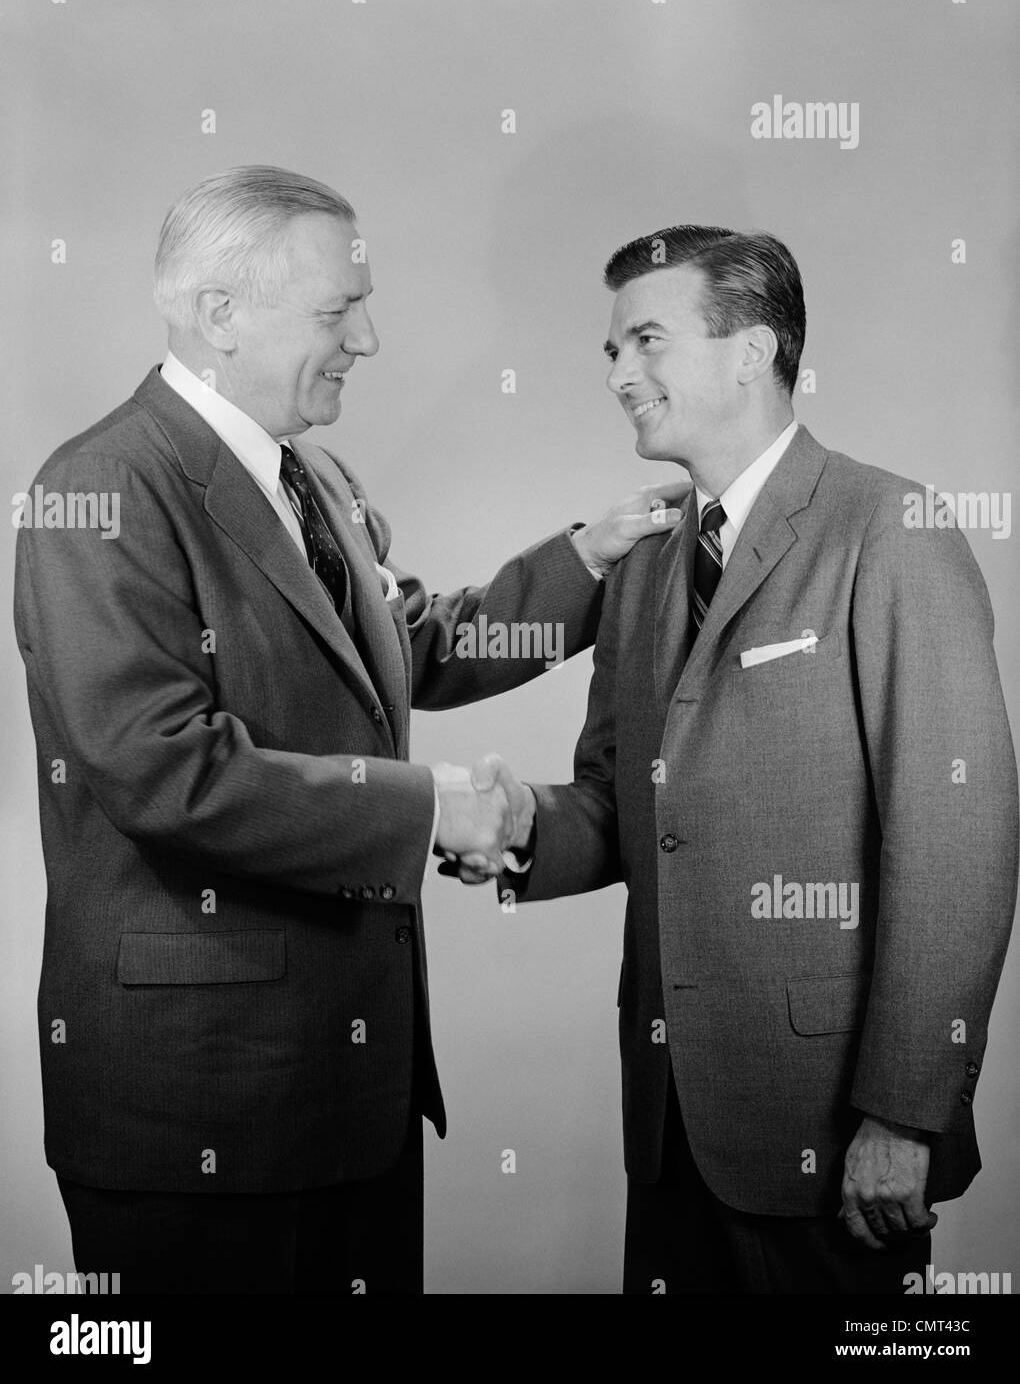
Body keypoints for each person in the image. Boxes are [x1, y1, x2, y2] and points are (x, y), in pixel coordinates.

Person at [11, 166, 682, 1295]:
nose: (368, 338)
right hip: (198, 1108)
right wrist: (428, 809)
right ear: (218, 314)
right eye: (338, 311)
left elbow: (410, 648)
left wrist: (588, 559)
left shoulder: (315, 476)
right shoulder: (103, 487)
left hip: (348, 1088)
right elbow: (163, 771)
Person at [453, 224, 1019, 1293]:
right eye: (612, 350)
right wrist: (524, 826)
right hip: (668, 1124)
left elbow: (962, 841)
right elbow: (624, 807)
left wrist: (904, 1112)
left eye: (645, 340)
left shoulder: (889, 529)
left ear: (753, 351)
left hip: (835, 1129)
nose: (619, 372)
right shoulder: (645, 559)